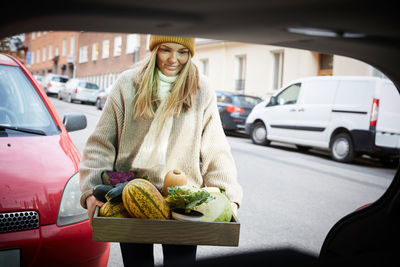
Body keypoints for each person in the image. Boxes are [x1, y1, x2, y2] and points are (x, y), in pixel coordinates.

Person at [79, 35, 243, 267]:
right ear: (154, 49)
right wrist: (90, 190)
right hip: (131, 197)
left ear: (190, 54)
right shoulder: (127, 83)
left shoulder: (201, 88)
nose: (173, 59)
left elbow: (215, 147)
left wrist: (229, 196)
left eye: (182, 52)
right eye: (166, 50)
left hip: (183, 203)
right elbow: (101, 143)